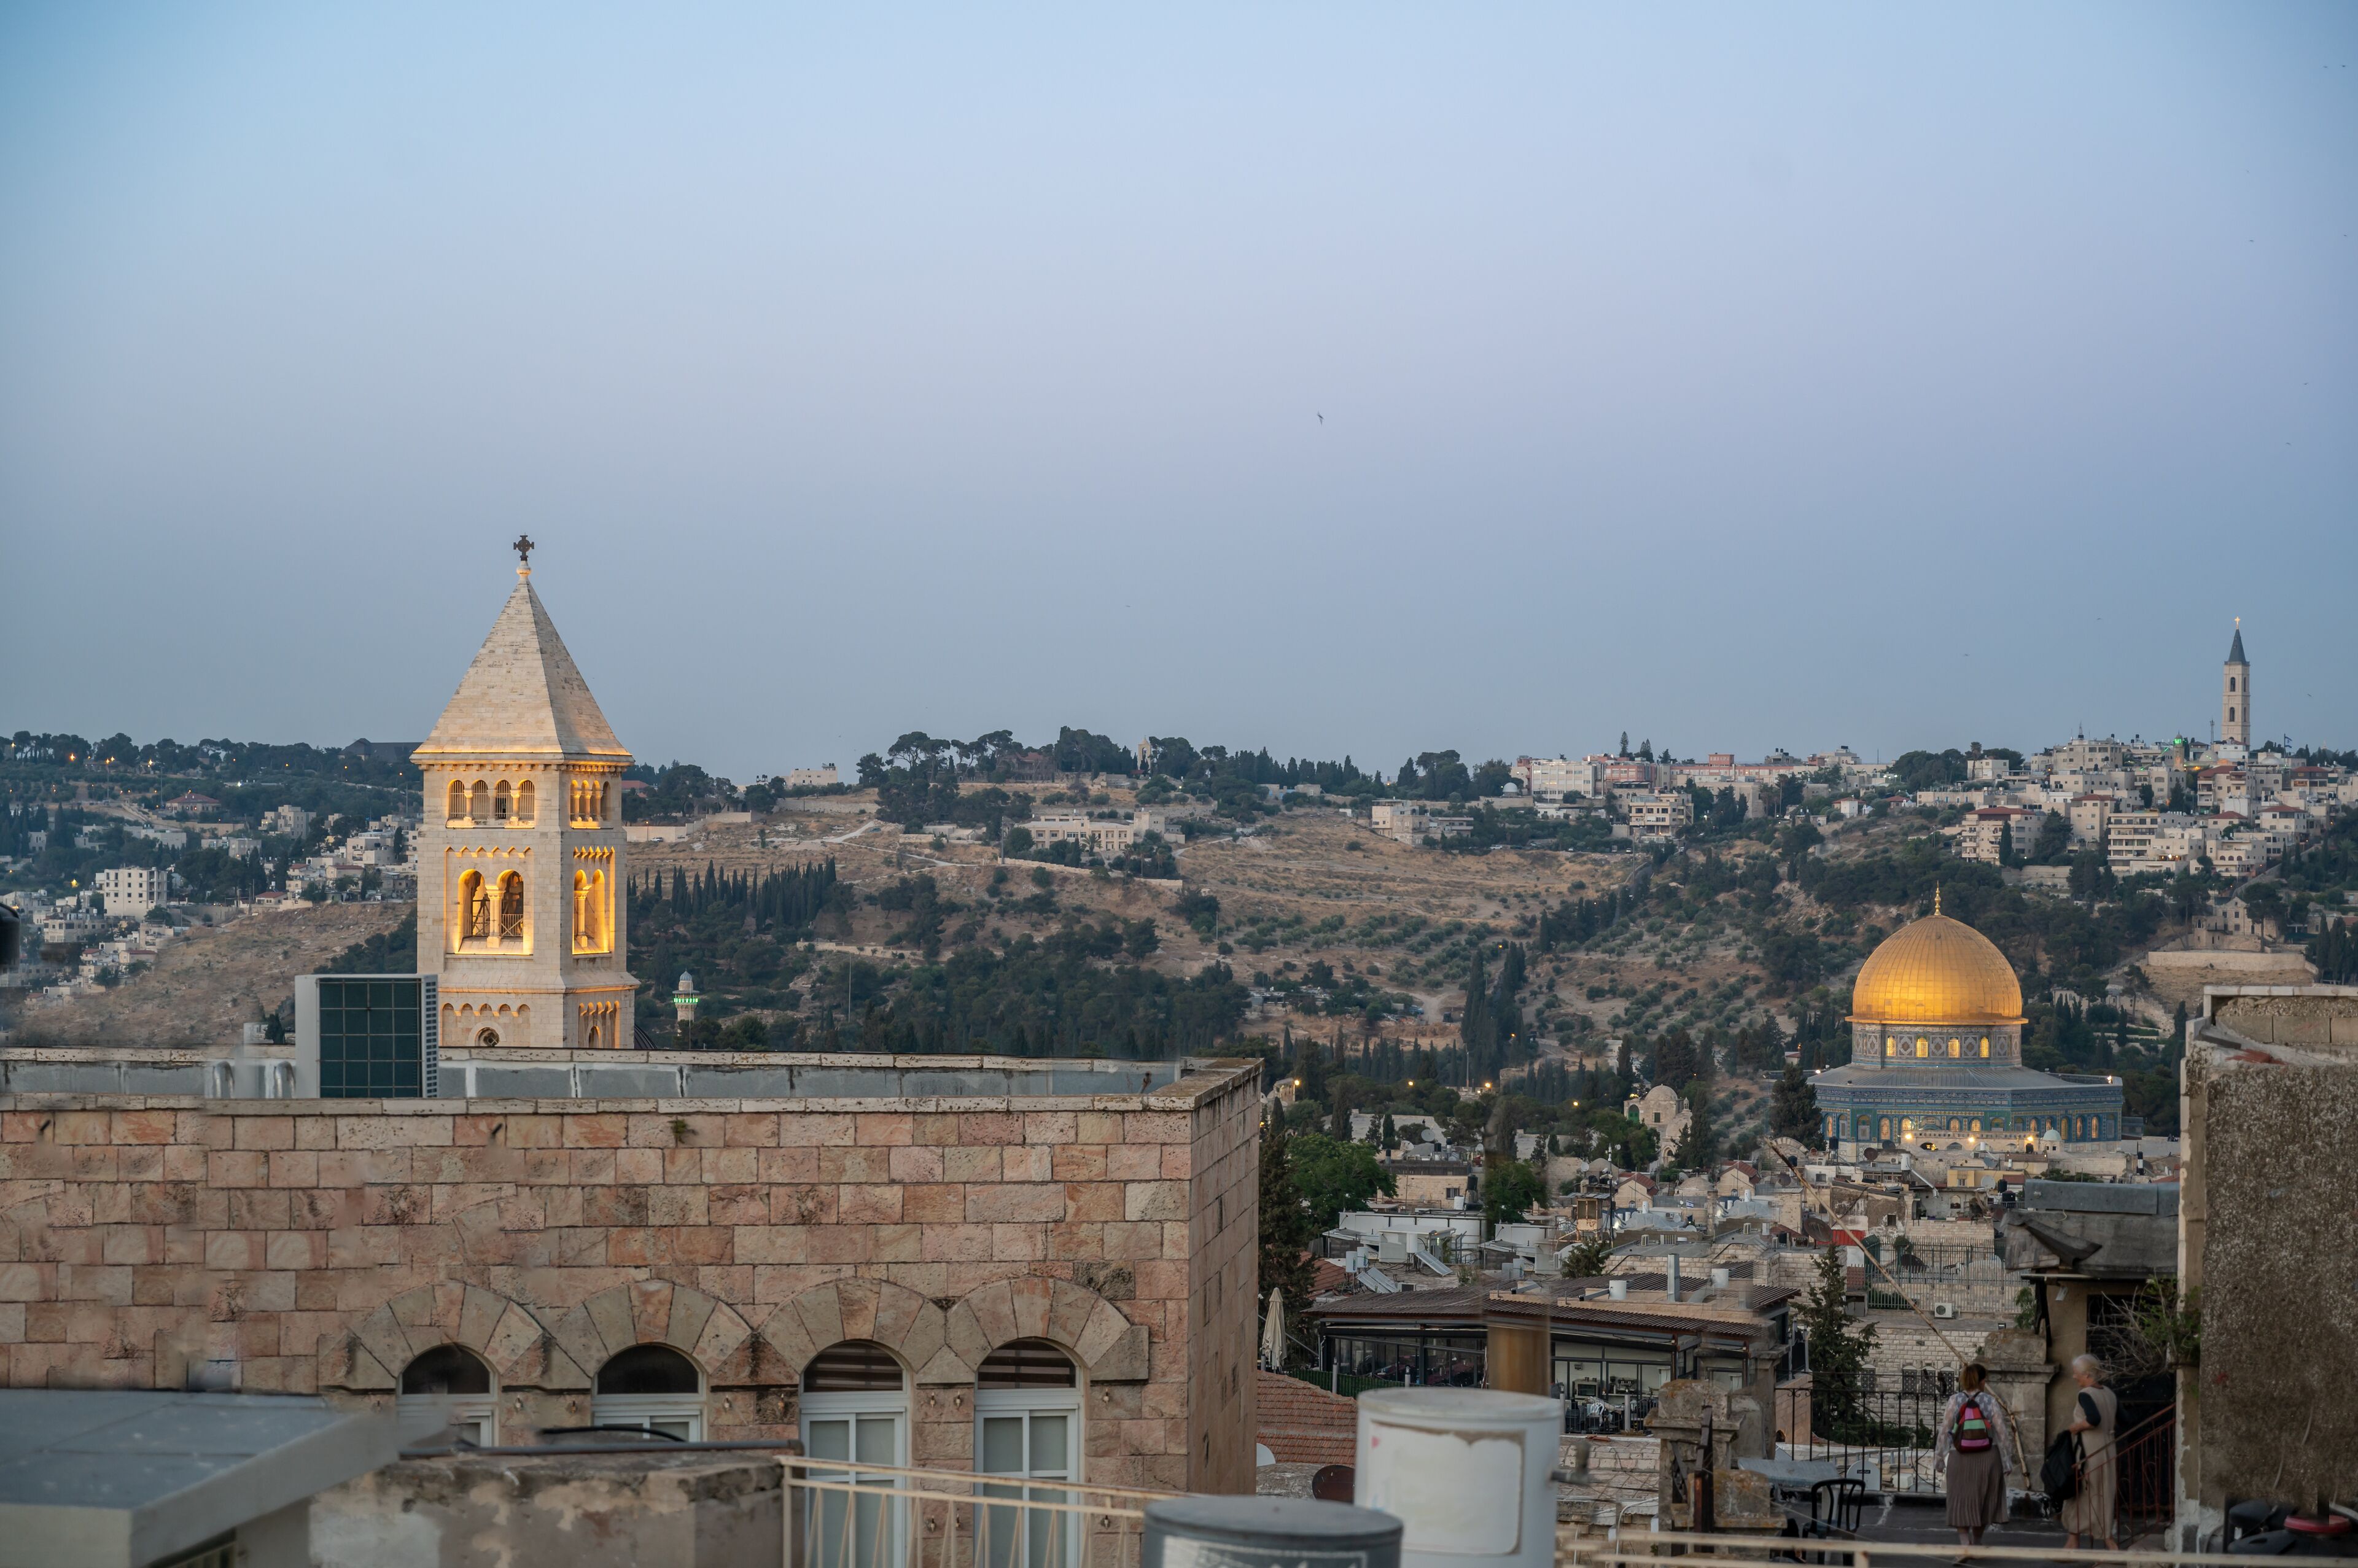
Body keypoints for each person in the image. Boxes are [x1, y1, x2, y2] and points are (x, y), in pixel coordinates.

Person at [1932, 1362, 2018, 1555]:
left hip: (1959, 1456)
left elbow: (1945, 1431)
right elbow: (2003, 1433)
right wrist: (2006, 1460)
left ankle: (1965, 1544)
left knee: (1960, 1501)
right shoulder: (1990, 1401)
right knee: (1985, 1502)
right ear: (1982, 1381)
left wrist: (1939, 1457)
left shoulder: (1955, 1400)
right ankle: (1978, 1543)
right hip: (1988, 1457)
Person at [2060, 1353, 2120, 1551]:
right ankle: (2077, 1541)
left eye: (2076, 1373)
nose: (2074, 1377)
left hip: (2089, 1453)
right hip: (2108, 1451)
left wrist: (2076, 1427)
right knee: (2103, 1494)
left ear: (2087, 1374)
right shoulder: (2110, 1394)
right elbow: (2127, 1419)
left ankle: (2102, 1542)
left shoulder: (2085, 1394)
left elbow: (2094, 1419)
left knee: (2081, 1494)